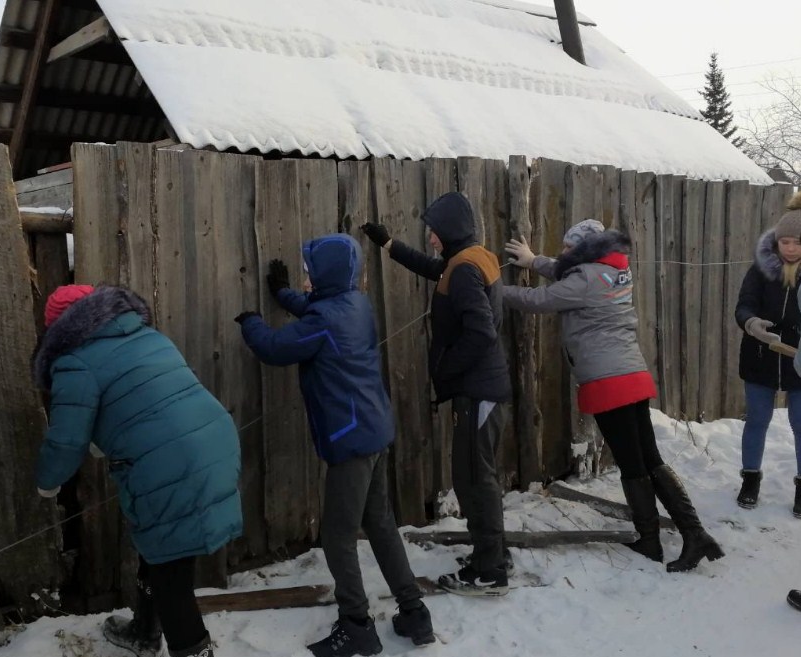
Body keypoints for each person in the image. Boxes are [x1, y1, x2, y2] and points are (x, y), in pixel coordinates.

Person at [236, 234, 433, 657]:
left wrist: (251, 319)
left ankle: (357, 624)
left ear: (324, 275)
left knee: (338, 536)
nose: (306, 280)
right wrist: (283, 293)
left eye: (309, 273)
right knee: (380, 522)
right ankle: (414, 612)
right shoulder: (355, 305)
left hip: (351, 440)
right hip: (375, 428)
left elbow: (274, 347)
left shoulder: (324, 321)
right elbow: (315, 310)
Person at [32, 284, 242, 657]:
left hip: (169, 463)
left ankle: (191, 648)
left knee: (171, 577)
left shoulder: (73, 360)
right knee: (163, 552)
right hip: (212, 443)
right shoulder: (148, 337)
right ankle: (145, 631)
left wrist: (47, 483)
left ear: (59, 328)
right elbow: (147, 399)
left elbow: (66, 441)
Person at [504, 219, 724, 572]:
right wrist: (533, 261)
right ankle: (692, 533)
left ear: (583, 251)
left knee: (633, 464)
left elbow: (540, 299)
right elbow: (568, 276)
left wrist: (489, 289)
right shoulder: (615, 270)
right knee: (650, 458)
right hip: (632, 376)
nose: (562, 253)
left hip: (608, 382)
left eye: (567, 248)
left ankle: (654, 540)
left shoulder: (586, 278)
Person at [361, 191, 513, 596]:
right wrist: (389, 244)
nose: (430, 238)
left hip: (477, 390)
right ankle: (491, 551)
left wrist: (446, 369)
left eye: (434, 231)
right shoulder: (474, 257)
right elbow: (435, 269)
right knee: (476, 475)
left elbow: (481, 332)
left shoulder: (464, 270)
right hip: (482, 388)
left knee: (474, 479)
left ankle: (490, 568)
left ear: (449, 231)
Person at [736, 190, 801, 515]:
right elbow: (744, 303)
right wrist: (751, 322)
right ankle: (750, 478)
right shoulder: (761, 269)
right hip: (760, 356)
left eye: (797, 242)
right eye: (785, 241)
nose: (790, 248)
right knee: (757, 420)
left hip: (799, 361)